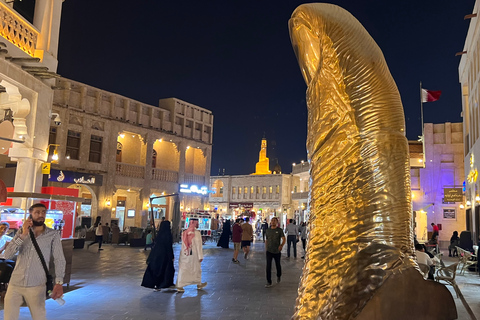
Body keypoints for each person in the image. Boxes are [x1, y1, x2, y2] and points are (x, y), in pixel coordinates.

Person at [4, 203, 65, 320]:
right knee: (9, 317)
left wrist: (59, 282)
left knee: (39, 316)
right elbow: (7, 255)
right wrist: (23, 235)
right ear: (31, 214)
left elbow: (59, 259)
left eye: (43, 212)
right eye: (37, 212)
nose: (41, 215)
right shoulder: (22, 232)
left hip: (37, 284)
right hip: (15, 283)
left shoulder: (53, 235)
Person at [141, 221, 175, 291]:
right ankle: (164, 283)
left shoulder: (159, 235)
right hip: (165, 255)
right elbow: (168, 246)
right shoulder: (168, 235)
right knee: (166, 270)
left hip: (156, 255)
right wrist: (171, 256)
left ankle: (156, 284)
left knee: (157, 270)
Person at [176, 219, 207, 292]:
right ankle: (198, 284)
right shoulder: (197, 233)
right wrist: (200, 256)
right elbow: (198, 245)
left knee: (184, 269)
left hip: (185, 254)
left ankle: (180, 286)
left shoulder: (184, 232)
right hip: (194, 255)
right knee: (196, 269)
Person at [265, 217, 286, 288]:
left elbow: (284, 239)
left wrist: (281, 245)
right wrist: (266, 248)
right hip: (269, 251)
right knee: (268, 266)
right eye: (272, 221)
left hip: (277, 251)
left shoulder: (279, 230)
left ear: (277, 222)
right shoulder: (267, 230)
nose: (273, 222)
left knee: (278, 265)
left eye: (274, 221)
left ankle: (278, 275)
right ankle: (269, 281)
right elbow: (266, 239)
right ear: (270, 222)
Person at [0, 222, 14, 290]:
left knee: (13, 264)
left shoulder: (7, 238)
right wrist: (4, 247)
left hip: (4, 258)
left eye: (5, 229)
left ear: (7, 230)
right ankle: (3, 286)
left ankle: (6, 286)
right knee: (7, 267)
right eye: (1, 228)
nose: (3, 230)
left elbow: (15, 242)